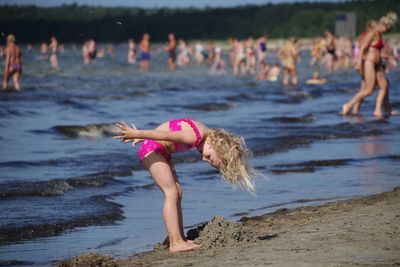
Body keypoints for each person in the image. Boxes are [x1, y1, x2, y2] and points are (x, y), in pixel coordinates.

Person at [113, 118, 257, 252]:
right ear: (218, 146)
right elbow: (165, 135)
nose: (203, 158)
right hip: (152, 150)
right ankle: (175, 242)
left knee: (177, 192)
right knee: (171, 193)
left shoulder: (205, 134)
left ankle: (179, 238)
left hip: (158, 149)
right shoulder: (196, 136)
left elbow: (167, 131)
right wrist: (138, 133)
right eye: (209, 157)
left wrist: (145, 137)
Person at [342, 12, 397, 117]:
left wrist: (390, 57)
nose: (388, 30)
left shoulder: (380, 35)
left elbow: (379, 52)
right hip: (369, 63)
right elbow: (362, 48)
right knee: (368, 90)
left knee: (384, 85)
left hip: (377, 65)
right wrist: (358, 63)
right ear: (383, 24)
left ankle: (380, 110)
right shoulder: (371, 34)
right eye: (388, 27)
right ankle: (348, 105)